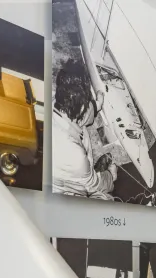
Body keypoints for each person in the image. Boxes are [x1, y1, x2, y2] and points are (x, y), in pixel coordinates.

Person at [51, 59, 117, 199]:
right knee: (106, 199)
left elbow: (80, 113)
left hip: (69, 168)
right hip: (64, 191)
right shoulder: (74, 155)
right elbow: (94, 184)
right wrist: (111, 176)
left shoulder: (57, 102)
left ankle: (87, 171)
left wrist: (97, 104)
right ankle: (89, 173)